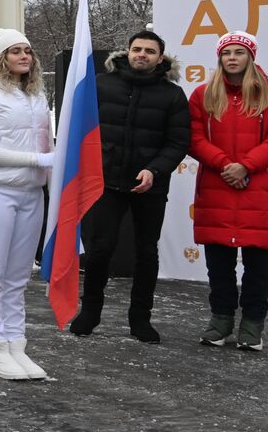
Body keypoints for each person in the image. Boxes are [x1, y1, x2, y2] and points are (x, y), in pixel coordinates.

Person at [71, 29, 190, 342]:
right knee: (100, 250)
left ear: (160, 58)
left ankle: (140, 319)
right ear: (127, 51)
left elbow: (178, 142)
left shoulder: (172, 95)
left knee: (146, 253)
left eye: (150, 51)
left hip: (150, 186)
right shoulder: (101, 84)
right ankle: (90, 311)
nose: (142, 55)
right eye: (138, 49)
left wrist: (154, 170)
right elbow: (81, 128)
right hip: (106, 182)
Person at [190, 32, 268, 351]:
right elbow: (193, 138)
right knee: (219, 267)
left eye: (239, 52)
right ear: (219, 58)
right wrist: (225, 165)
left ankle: (252, 325)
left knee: (258, 269)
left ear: (251, 57)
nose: (232, 58)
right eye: (226, 53)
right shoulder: (202, 95)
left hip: (259, 191)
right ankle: (220, 322)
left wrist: (245, 166)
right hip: (216, 189)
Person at [0, 29, 54, 381]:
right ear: (1, 57)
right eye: (15, 51)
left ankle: (17, 344)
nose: (24, 56)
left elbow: (46, 142)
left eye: (27, 51)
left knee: (18, 276)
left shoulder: (35, 96)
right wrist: (37, 159)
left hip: (30, 194)